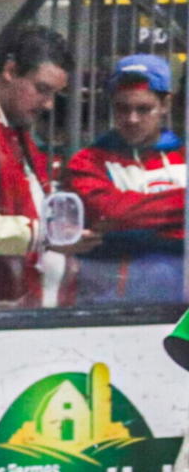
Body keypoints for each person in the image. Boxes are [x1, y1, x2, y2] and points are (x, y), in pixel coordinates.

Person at [0, 25, 99, 307]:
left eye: (54, 94)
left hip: (1, 298)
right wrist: (42, 235)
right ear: (10, 71)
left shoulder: (8, 124)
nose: (48, 104)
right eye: (42, 89)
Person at [67, 53, 185, 303]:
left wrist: (131, 225)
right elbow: (112, 213)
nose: (132, 119)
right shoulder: (86, 161)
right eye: (122, 108)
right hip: (107, 303)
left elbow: (121, 217)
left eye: (143, 109)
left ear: (165, 105)